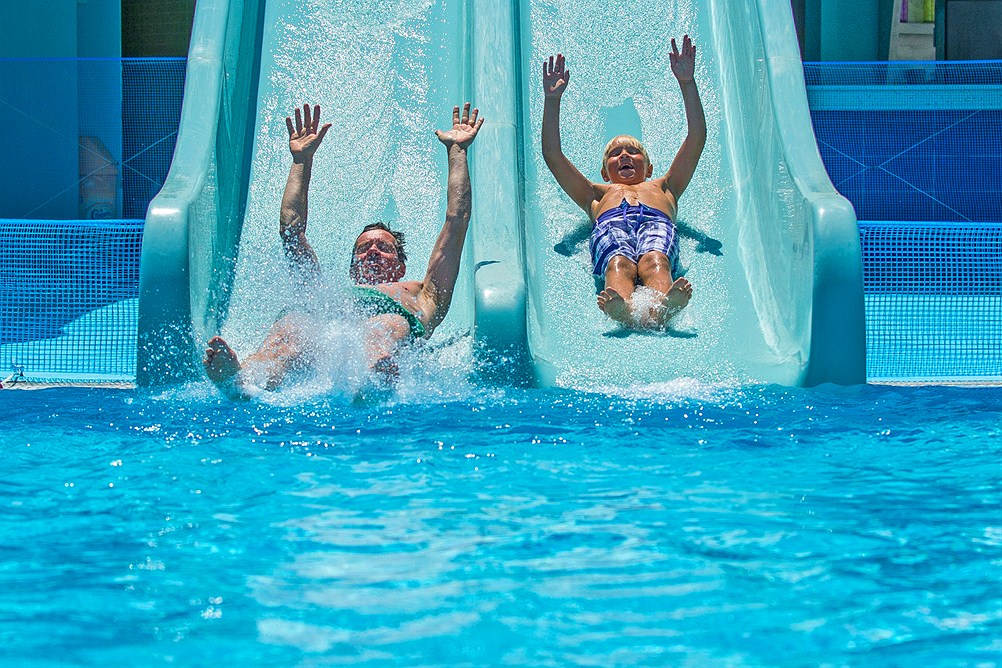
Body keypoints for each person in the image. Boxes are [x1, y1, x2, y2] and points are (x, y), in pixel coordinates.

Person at [203, 101, 484, 396]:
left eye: (383, 247)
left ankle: (372, 380)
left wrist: (457, 152)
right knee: (292, 328)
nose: (372, 251)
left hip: (382, 335)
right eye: (363, 248)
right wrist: (301, 161)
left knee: (384, 326)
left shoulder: (423, 294)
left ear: (400, 266)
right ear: (352, 269)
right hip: (320, 329)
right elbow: (291, 233)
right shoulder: (326, 296)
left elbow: (457, 221)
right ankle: (245, 380)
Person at [541, 35, 706, 329]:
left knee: (655, 260)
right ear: (605, 173)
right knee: (618, 263)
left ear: (649, 168)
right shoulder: (595, 194)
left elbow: (696, 138)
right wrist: (552, 101)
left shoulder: (665, 187)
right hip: (611, 224)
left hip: (656, 223)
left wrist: (687, 83)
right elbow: (553, 156)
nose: (625, 155)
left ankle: (661, 307)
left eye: (633, 151)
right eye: (615, 154)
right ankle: (623, 309)